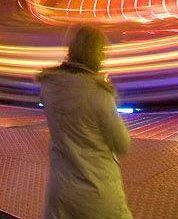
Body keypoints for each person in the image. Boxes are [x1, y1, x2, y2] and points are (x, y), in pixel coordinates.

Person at [36, 24, 131, 219]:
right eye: (102, 52)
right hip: (97, 191)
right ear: (94, 53)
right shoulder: (100, 95)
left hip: (60, 190)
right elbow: (122, 144)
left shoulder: (49, 87)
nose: (104, 57)